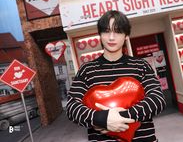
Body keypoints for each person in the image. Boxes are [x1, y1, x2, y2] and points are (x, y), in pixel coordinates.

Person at [66, 10, 166, 142]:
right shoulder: (87, 70)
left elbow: (157, 99)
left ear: (126, 36)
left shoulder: (140, 65)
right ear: (100, 35)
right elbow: (72, 107)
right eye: (106, 31)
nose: (111, 37)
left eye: (118, 31)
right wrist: (102, 119)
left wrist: (119, 117)